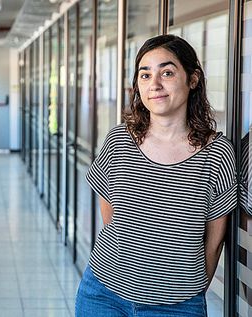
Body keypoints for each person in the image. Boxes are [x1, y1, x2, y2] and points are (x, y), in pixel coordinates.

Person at [75, 34, 237, 316]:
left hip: (177, 307)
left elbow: (215, 237)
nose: (155, 84)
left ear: (193, 79)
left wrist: (184, 290)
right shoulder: (119, 140)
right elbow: (110, 216)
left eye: (167, 72)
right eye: (145, 74)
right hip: (103, 295)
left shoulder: (217, 153)